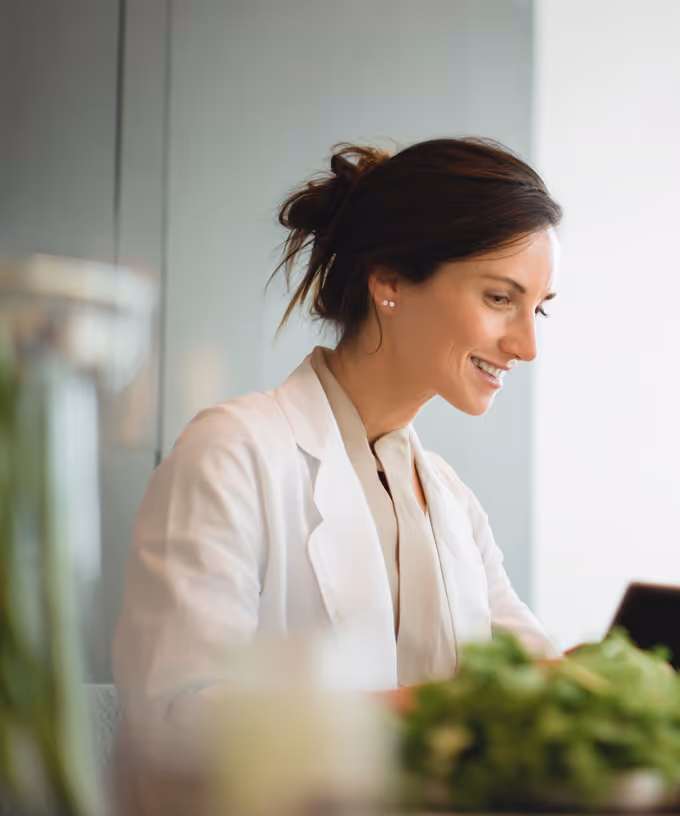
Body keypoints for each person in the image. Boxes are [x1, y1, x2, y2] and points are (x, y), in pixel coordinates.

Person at [114, 138, 559, 727]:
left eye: (540, 309)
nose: (526, 346)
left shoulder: (452, 503)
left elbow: (537, 677)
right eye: (500, 297)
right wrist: (440, 711)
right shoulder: (233, 453)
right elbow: (177, 715)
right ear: (390, 281)